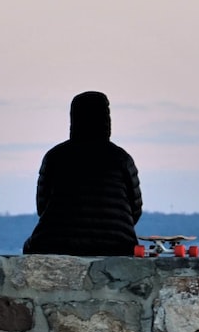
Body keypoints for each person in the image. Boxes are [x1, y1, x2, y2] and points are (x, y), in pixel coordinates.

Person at [22, 91, 142, 255]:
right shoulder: (122, 158)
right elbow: (135, 208)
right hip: (118, 245)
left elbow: (42, 206)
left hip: (55, 243)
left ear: (74, 118)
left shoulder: (55, 156)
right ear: (107, 120)